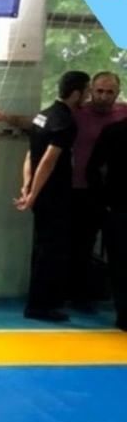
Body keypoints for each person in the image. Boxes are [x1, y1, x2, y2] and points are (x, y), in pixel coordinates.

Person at [0, 71, 127, 309]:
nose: (103, 96)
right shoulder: (72, 115)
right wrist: (6, 118)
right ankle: (56, 298)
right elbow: (41, 136)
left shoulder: (123, 115)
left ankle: (86, 296)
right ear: (87, 92)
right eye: (99, 91)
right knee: (63, 245)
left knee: (96, 246)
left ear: (118, 93)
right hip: (69, 189)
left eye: (109, 92)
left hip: (104, 192)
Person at [14, 71, 90, 322]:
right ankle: (40, 305)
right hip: (54, 194)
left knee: (43, 248)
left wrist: (27, 186)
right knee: (51, 251)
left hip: (41, 192)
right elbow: (47, 161)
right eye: (87, 91)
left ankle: (40, 302)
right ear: (76, 93)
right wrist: (33, 194)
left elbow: (30, 155)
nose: (88, 96)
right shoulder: (65, 122)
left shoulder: (42, 115)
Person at [87, 115, 127, 331]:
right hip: (117, 206)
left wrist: (103, 200)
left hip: (117, 206)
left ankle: (124, 315)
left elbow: (93, 169)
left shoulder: (113, 131)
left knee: (120, 264)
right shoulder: (114, 131)